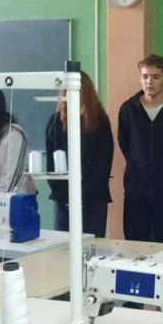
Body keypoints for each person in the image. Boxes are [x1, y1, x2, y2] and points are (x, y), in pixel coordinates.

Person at [117, 55, 163, 244]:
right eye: (145, 76)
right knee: (135, 241)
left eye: (155, 77)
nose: (149, 82)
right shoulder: (128, 109)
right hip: (136, 189)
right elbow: (125, 144)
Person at [44, 70, 113, 237]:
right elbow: (51, 166)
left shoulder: (100, 122)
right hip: (64, 202)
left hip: (93, 203)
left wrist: (82, 197)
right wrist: (66, 196)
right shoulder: (55, 122)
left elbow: (103, 164)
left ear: (86, 92)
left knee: (92, 247)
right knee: (62, 247)